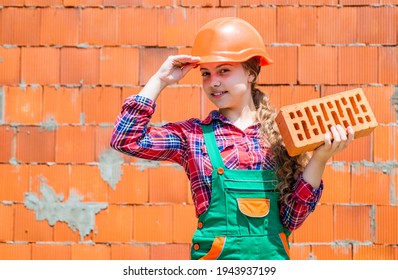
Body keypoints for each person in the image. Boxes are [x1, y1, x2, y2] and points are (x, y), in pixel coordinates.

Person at [110, 17, 354, 260]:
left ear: (251, 72)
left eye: (224, 71)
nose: (213, 82)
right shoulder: (192, 136)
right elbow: (125, 139)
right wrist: (159, 81)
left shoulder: (281, 136)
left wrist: (320, 159)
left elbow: (292, 218)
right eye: (206, 73)